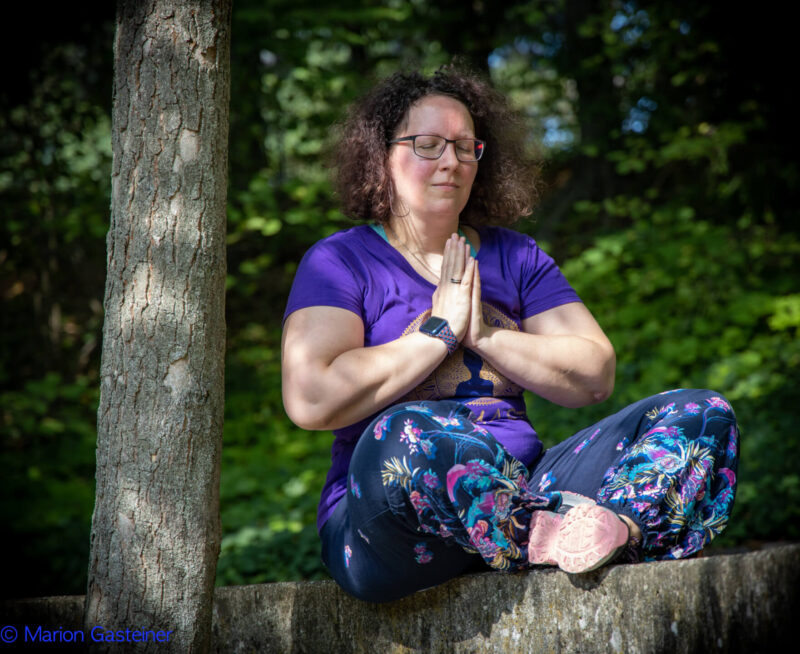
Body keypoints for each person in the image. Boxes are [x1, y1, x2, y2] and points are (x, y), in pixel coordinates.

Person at [281, 65, 739, 603]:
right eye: (427, 144)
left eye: (464, 146)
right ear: (382, 154)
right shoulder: (341, 261)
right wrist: (439, 331)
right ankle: (543, 528)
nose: (450, 161)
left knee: (701, 412)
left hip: (528, 485)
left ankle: (610, 532)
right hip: (389, 523)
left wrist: (484, 335)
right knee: (408, 431)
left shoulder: (515, 256)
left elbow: (594, 374)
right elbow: (311, 399)